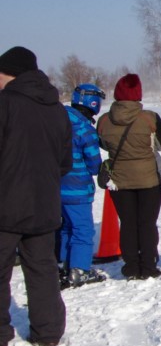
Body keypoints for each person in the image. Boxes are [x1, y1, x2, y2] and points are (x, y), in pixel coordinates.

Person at [0, 46, 71, 346]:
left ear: (11, 74)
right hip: (44, 204)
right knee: (42, 268)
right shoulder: (57, 108)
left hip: (5, 205)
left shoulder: (5, 103)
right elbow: (64, 162)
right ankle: (48, 333)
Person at [97, 74, 161, 281]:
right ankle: (148, 266)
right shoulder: (149, 118)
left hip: (119, 181)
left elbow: (103, 143)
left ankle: (131, 267)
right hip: (150, 179)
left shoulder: (104, 120)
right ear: (138, 94)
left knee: (128, 223)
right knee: (147, 223)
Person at [56, 83, 106, 289]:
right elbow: (94, 165)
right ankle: (80, 270)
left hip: (55, 187)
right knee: (83, 229)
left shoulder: (56, 121)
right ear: (93, 103)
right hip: (77, 189)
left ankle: (63, 264)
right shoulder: (85, 129)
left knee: (65, 227)